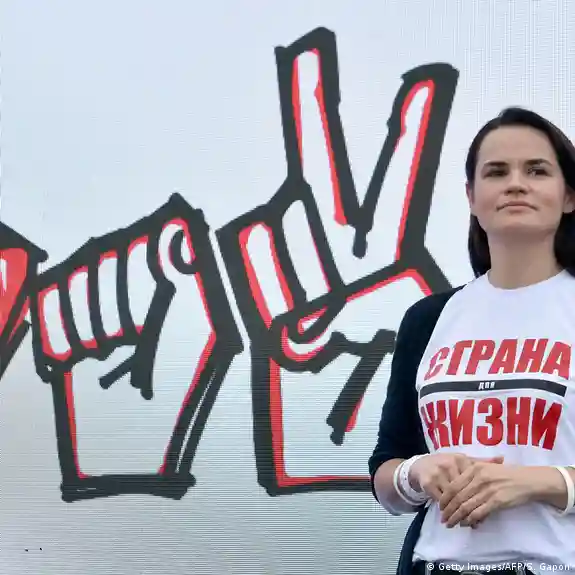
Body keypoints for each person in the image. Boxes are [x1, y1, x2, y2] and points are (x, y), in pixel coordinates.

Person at [368, 106, 575, 575]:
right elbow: (386, 471)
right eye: (496, 172)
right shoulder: (428, 319)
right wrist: (417, 472)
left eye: (537, 170)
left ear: (568, 196)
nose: (516, 184)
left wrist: (541, 481)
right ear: (471, 196)